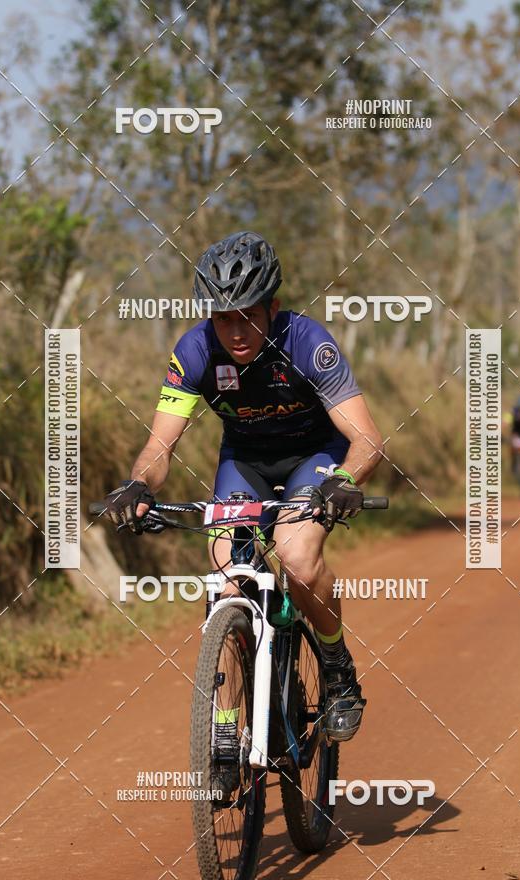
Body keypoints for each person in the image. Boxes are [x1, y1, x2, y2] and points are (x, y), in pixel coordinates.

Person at [104, 231, 384, 749]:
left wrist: (346, 479)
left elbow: (366, 440)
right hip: (245, 462)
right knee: (227, 580)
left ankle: (336, 666)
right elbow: (159, 446)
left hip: (313, 460)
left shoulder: (307, 343)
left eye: (248, 315)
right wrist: (138, 482)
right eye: (223, 317)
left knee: (297, 559)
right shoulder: (194, 351)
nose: (235, 331)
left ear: (272, 307)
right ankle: (228, 725)